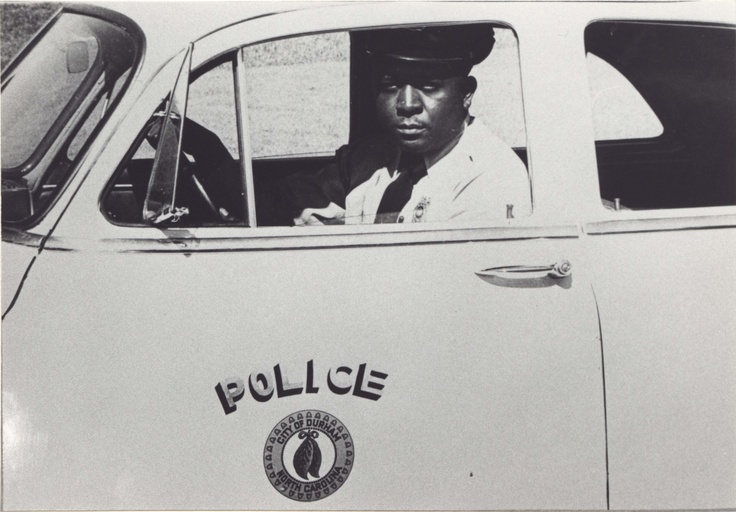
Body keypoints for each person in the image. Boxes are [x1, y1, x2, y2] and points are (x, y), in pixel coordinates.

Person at [282, 24, 531, 226]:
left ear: (467, 94)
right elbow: (296, 191)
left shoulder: (490, 177)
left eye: (428, 85)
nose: (406, 104)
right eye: (391, 85)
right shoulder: (370, 157)